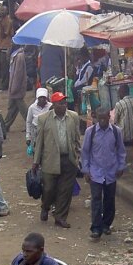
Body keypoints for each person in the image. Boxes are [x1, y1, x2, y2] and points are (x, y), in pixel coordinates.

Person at [33, 92, 82, 229]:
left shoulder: (73, 117)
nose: (64, 105)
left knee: (65, 191)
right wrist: (36, 161)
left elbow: (77, 138)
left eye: (65, 103)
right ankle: (45, 206)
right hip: (50, 160)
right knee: (49, 189)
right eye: (60, 103)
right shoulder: (43, 119)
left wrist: (78, 156)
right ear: (54, 105)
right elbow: (39, 141)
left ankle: (60, 217)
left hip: (69, 159)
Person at [82, 106, 127, 239]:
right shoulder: (91, 132)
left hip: (111, 172)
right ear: (96, 118)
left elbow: (121, 150)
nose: (102, 121)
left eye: (104, 118)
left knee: (109, 200)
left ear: (109, 117)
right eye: (100, 119)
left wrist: (121, 166)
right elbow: (85, 152)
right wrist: (86, 170)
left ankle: (106, 224)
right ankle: (96, 228)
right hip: (95, 172)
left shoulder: (116, 131)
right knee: (96, 200)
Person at [4, 45, 31, 133]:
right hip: (14, 86)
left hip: (16, 87)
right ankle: (6, 125)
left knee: (20, 107)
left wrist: (14, 88)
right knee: (12, 107)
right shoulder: (16, 55)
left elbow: (18, 74)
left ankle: (30, 124)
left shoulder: (19, 56)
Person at [0, 7, 14, 90]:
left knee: (4, 67)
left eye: (3, 10)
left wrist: (0, 24)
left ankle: (4, 85)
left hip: (6, 46)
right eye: (0, 11)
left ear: (6, 11)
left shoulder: (8, 21)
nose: (1, 12)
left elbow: (5, 35)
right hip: (0, 46)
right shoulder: (0, 21)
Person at [25, 87, 50, 152]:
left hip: (47, 132)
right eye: (40, 97)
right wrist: (28, 137)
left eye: (44, 98)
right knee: (36, 151)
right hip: (36, 132)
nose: (42, 99)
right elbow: (28, 122)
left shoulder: (50, 107)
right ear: (37, 98)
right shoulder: (32, 107)